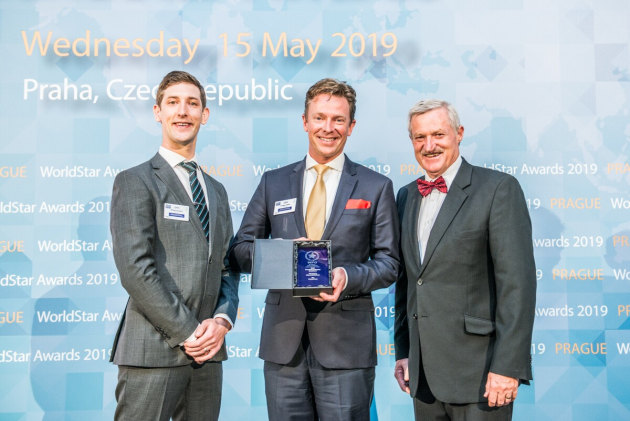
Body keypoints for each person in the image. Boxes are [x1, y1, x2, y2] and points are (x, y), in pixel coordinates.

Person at [230, 78, 399, 420]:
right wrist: (280, 253)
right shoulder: (273, 182)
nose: (328, 127)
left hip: (346, 347)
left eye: (338, 119)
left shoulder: (375, 186)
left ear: (351, 126)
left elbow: (389, 263)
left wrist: (346, 276)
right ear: (305, 122)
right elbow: (240, 250)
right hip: (283, 344)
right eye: (320, 117)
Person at [393, 99, 536, 420]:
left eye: (438, 134)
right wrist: (404, 352)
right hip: (423, 376)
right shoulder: (406, 196)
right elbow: (408, 284)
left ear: (459, 133)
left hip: (482, 375)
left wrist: (508, 367)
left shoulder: (498, 189)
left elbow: (518, 286)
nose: (429, 145)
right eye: (419, 137)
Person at [109, 70, 239, 421]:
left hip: (208, 355)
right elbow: (136, 269)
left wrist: (222, 322)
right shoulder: (135, 181)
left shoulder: (217, 191)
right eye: (173, 103)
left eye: (192, 103)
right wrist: (188, 331)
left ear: (204, 115)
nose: (183, 111)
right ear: (158, 112)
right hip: (153, 351)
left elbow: (226, 266)